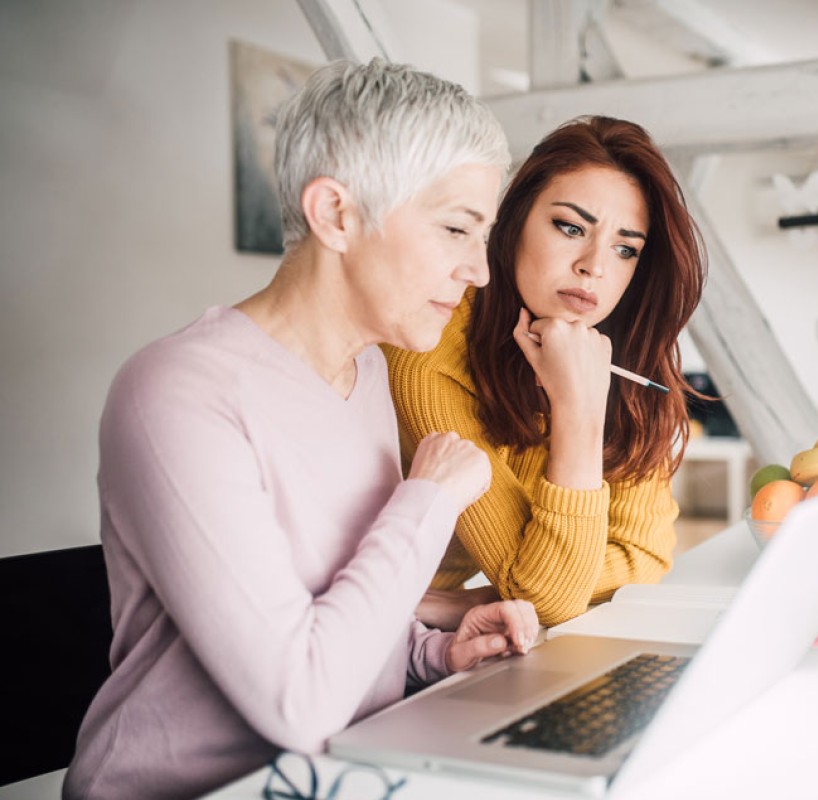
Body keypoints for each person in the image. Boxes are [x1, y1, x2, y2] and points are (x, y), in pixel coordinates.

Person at [64, 59, 538, 800]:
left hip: (343, 772)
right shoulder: (176, 393)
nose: (479, 271)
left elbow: (331, 610)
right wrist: (429, 499)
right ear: (336, 215)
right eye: (456, 229)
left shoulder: (370, 372)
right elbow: (301, 699)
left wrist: (434, 653)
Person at [385, 116, 707, 627]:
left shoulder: (619, 352)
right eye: (570, 227)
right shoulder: (428, 353)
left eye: (626, 249)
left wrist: (476, 601)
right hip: (368, 639)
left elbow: (644, 558)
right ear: (511, 225)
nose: (594, 266)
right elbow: (545, 597)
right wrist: (577, 409)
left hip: (434, 621)